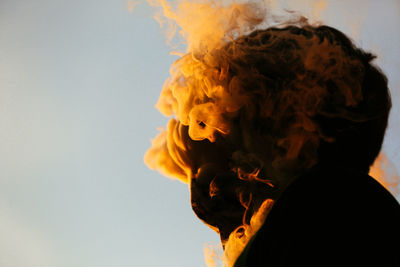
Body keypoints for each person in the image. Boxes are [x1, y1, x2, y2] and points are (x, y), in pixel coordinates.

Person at [185, 25, 400, 266]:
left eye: (234, 117)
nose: (227, 154)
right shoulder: (345, 207)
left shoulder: (326, 207)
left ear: (287, 117)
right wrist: (231, 229)